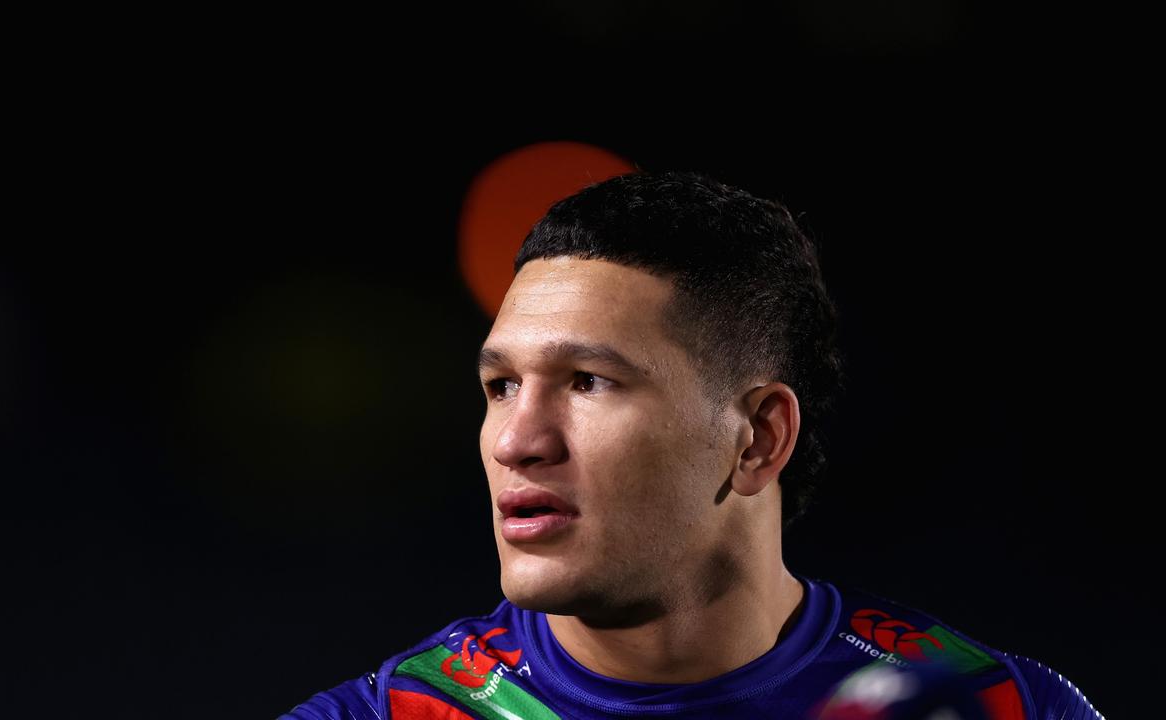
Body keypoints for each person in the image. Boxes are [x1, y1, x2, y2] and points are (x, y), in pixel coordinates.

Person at [278, 170, 1103, 719]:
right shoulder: (395, 712)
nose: (517, 441)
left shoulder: (997, 704)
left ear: (758, 438)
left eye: (589, 382)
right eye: (501, 386)